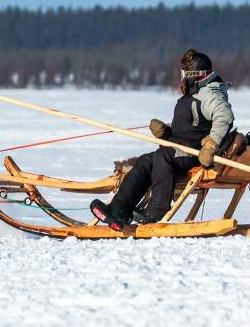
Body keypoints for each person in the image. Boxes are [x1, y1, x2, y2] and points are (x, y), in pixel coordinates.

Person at [90, 49, 235, 230]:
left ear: (195, 74)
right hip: (179, 148)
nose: (183, 77)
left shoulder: (209, 93)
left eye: (186, 72)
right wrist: (166, 131)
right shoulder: (195, 92)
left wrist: (211, 145)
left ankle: (156, 210)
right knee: (145, 161)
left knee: (162, 157)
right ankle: (118, 211)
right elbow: (189, 127)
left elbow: (224, 116)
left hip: (193, 152)